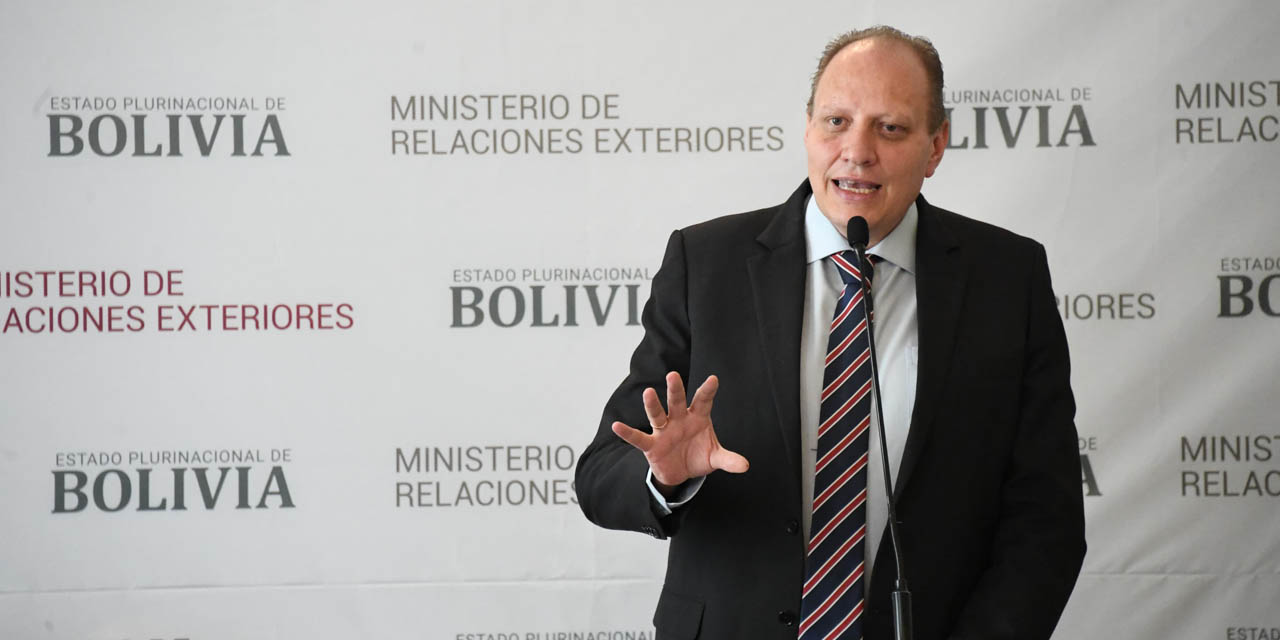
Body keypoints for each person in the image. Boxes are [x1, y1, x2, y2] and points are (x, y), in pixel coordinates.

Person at [576, 26, 1085, 640]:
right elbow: (601, 474)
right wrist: (667, 479)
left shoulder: (1007, 278)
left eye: (890, 128)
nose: (857, 150)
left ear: (936, 145)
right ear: (807, 128)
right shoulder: (706, 264)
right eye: (836, 121)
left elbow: (1045, 518)